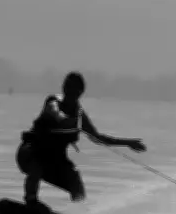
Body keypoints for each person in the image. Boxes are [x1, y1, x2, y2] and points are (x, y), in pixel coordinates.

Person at [16, 71, 146, 206]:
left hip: (55, 160)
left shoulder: (79, 115)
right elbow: (55, 112)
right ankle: (31, 201)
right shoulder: (53, 102)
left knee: (75, 179)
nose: (69, 92)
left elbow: (97, 138)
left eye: (73, 89)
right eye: (67, 87)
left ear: (80, 92)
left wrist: (128, 143)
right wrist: (63, 119)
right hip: (30, 153)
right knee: (38, 166)